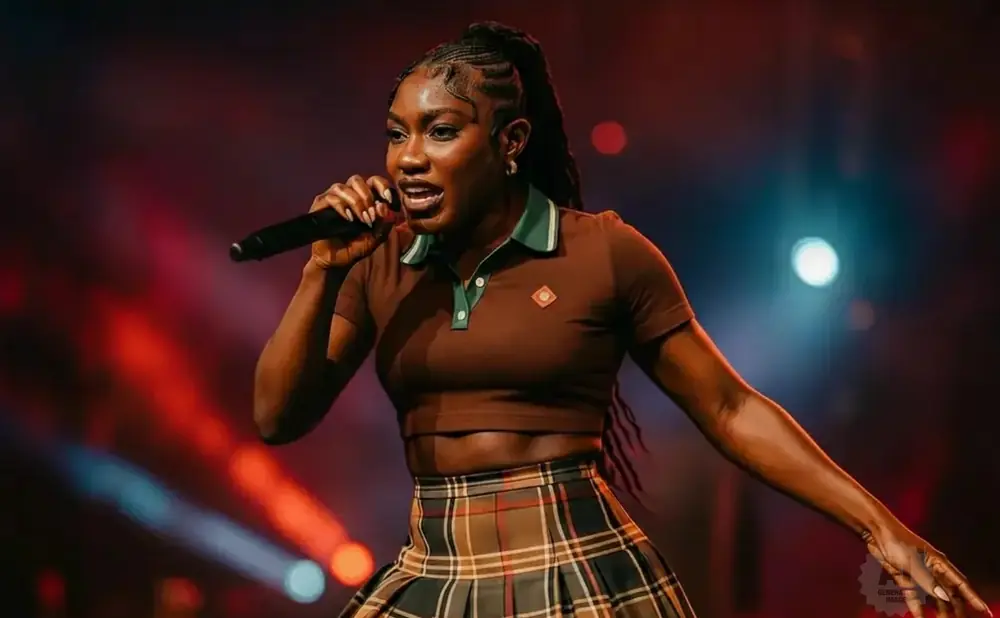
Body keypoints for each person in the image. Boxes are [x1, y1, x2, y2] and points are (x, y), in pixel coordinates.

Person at [252, 21, 990, 618]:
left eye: (439, 131)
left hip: (573, 571)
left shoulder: (603, 251)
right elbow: (276, 418)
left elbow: (730, 409)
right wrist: (323, 270)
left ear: (509, 145)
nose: (408, 158)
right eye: (396, 134)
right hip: (435, 570)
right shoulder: (379, 260)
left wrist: (881, 527)